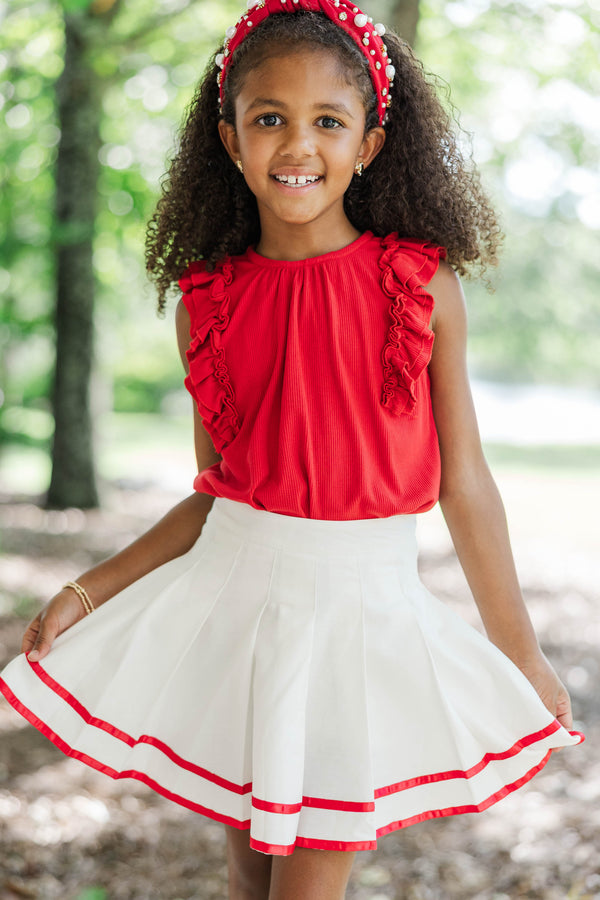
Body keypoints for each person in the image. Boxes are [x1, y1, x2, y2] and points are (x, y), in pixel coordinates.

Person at [0, 1, 584, 897]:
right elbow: (216, 494)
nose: (296, 144)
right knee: (249, 877)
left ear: (370, 144)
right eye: (268, 118)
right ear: (230, 140)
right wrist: (88, 589)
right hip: (239, 610)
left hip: (359, 622)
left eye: (327, 122)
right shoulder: (207, 301)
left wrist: (522, 651)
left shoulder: (418, 284)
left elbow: (465, 486)